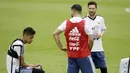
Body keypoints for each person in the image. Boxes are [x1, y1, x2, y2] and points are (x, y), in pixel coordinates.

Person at [53, 4, 95, 73]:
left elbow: (55, 33)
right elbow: (91, 39)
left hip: (72, 56)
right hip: (83, 56)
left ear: (72, 11)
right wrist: (88, 50)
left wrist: (61, 47)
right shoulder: (85, 23)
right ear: (80, 12)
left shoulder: (66, 23)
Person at [83, 1, 107, 73]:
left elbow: (104, 29)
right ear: (87, 8)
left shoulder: (100, 19)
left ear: (96, 9)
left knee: (103, 68)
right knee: (88, 70)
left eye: (93, 8)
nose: (91, 10)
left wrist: (101, 34)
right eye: (90, 8)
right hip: (88, 49)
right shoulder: (83, 20)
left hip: (99, 48)